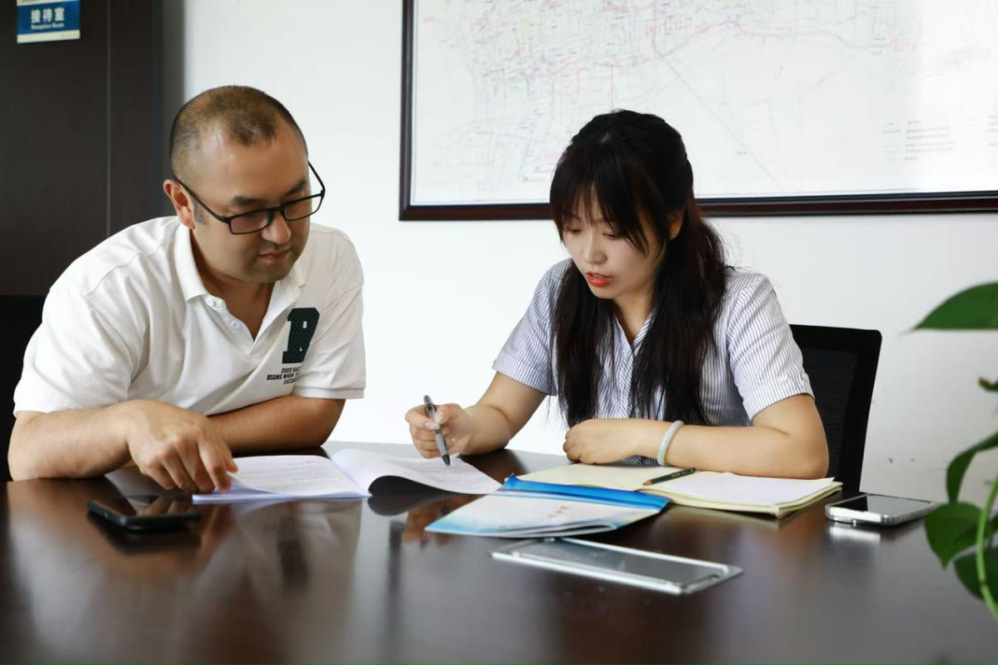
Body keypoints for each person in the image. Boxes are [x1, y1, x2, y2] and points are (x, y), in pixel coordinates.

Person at [405, 110, 827, 478]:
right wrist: (463, 428)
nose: (590, 254)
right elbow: (500, 412)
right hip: (597, 522)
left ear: (672, 221)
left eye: (613, 232)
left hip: (708, 530)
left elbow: (803, 452)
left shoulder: (740, 301)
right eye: (573, 228)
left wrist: (644, 437)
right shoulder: (559, 290)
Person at [9, 85, 365, 492]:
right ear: (183, 203)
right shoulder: (111, 285)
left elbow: (317, 411)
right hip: (126, 511)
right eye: (249, 213)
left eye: (296, 200)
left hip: (264, 500)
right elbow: (27, 454)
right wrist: (130, 423)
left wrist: (180, 438)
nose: (281, 233)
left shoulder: (329, 256)